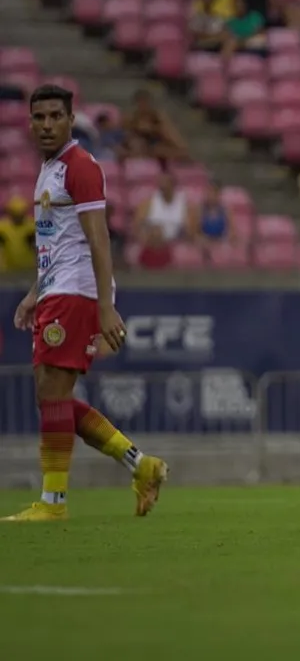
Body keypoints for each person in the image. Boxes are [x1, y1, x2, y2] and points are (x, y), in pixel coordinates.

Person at [2, 85, 167, 522]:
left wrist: (105, 304)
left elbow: (98, 238)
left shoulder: (80, 167)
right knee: (50, 398)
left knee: (52, 395)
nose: (47, 125)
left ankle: (53, 503)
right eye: (39, 117)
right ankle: (140, 464)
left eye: (56, 116)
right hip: (57, 291)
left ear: (71, 120)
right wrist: (34, 293)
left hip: (76, 294)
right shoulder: (50, 170)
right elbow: (57, 242)